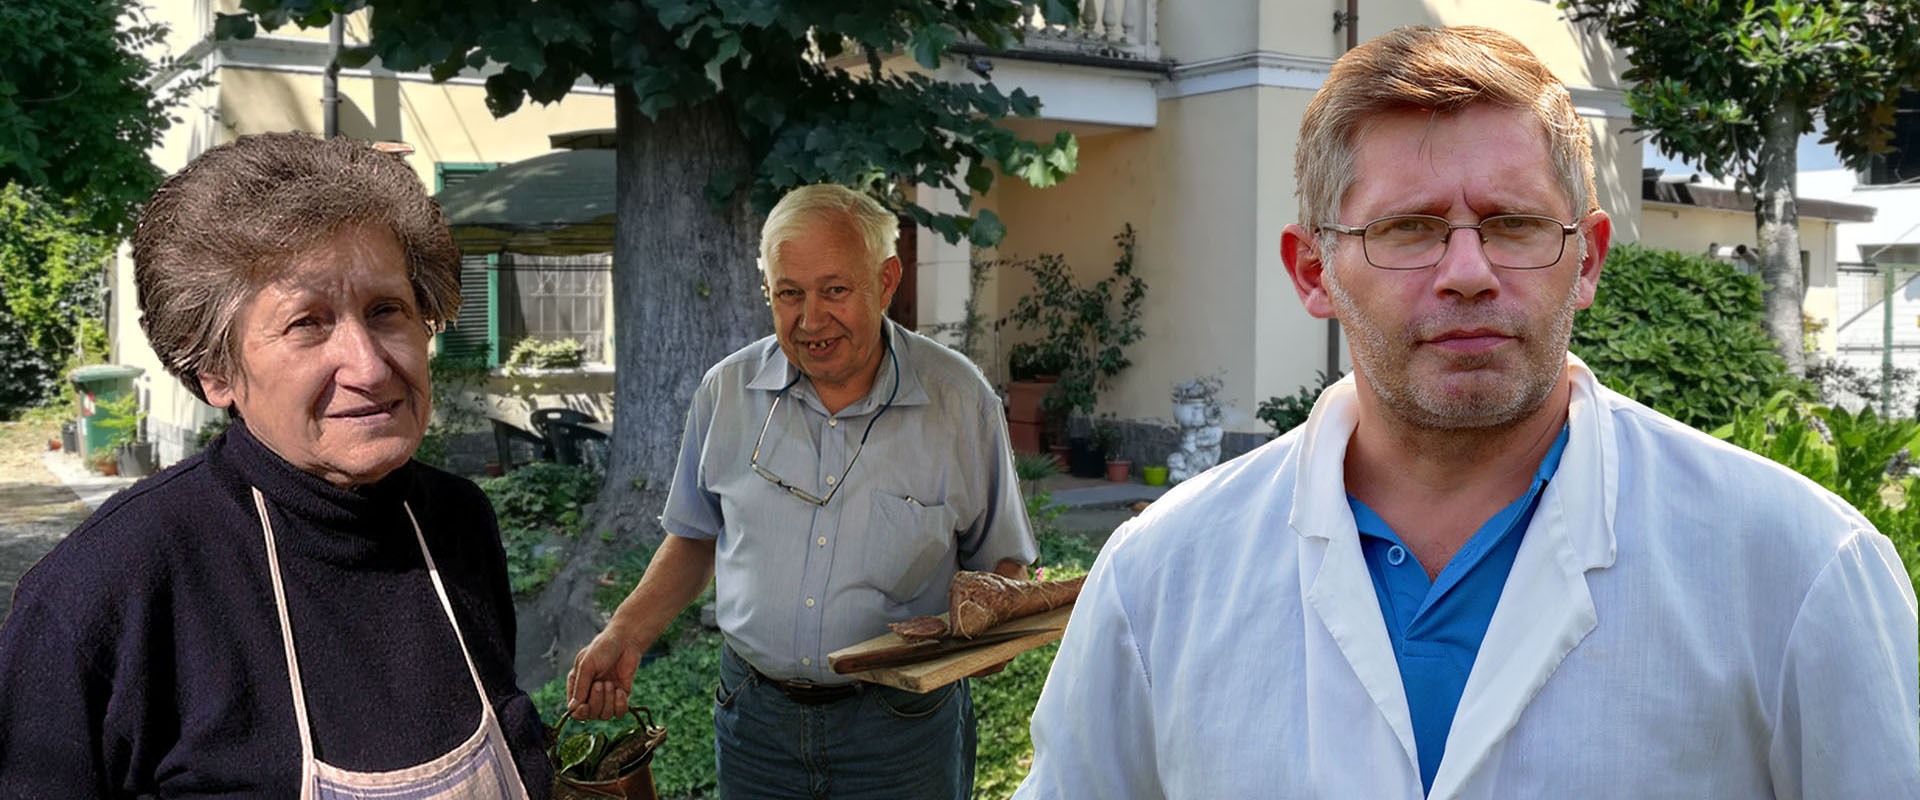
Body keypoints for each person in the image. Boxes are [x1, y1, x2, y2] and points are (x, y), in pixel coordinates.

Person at [1017, 25, 1918, 799]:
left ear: (1588, 260)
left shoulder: (1798, 568)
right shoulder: (1161, 577)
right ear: (1314, 271)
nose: (1467, 271)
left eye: (1514, 224)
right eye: (1407, 228)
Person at [0, 133, 550, 797]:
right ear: (215, 371)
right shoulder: (108, 587)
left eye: (386, 311)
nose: (370, 366)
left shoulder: (458, 522)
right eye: (307, 324)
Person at [566, 183, 1036, 799]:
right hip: (757, 727)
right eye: (789, 293)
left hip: (902, 730)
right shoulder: (726, 392)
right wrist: (624, 634)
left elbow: (1005, 566)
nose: (811, 320)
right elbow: (695, 540)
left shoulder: (959, 401)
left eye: (835, 290)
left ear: (886, 281)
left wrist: (991, 630)